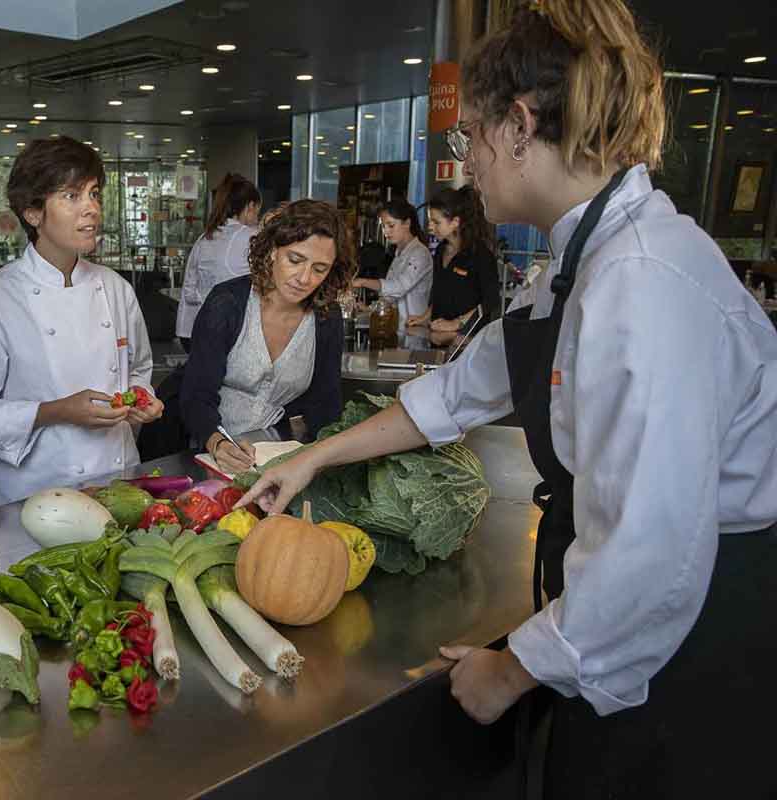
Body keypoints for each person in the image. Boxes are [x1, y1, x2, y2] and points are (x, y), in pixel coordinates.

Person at [238, 0, 777, 796]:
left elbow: (653, 551)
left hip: (692, 635)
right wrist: (312, 460)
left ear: (520, 125)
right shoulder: (572, 267)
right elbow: (454, 394)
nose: (464, 166)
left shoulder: (644, 282)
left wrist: (517, 667)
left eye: (471, 139)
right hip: (618, 609)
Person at [0, 137, 164, 506]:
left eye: (94, 194)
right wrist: (57, 411)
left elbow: (139, 368)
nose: (91, 209)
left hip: (121, 483)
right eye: (72, 196)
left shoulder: (115, 289)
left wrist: (144, 398)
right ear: (32, 213)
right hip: (38, 494)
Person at [180, 199, 356, 474]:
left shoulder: (325, 317)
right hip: (212, 451)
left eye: (319, 269)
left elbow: (326, 403)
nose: (304, 278)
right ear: (274, 250)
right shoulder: (227, 303)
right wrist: (217, 442)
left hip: (277, 453)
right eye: (295, 260)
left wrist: (324, 462)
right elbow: (196, 395)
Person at [175, 173, 261, 350]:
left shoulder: (204, 238)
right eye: (258, 212)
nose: (257, 219)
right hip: (226, 335)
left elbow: (190, 291)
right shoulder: (251, 237)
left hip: (191, 331)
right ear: (250, 206)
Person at [406, 186, 500, 343]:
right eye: (430, 221)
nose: (430, 227)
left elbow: (491, 301)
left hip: (468, 341)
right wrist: (425, 317)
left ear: (455, 222)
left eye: (436, 222)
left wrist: (457, 323)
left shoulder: (480, 255)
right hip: (439, 337)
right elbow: (440, 293)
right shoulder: (441, 250)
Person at [352, 199, 433, 326]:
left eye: (391, 225)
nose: (386, 231)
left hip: (414, 327)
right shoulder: (398, 254)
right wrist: (369, 308)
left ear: (407, 223)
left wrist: (363, 281)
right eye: (383, 226)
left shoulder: (420, 253)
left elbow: (399, 286)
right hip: (397, 327)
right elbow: (389, 298)